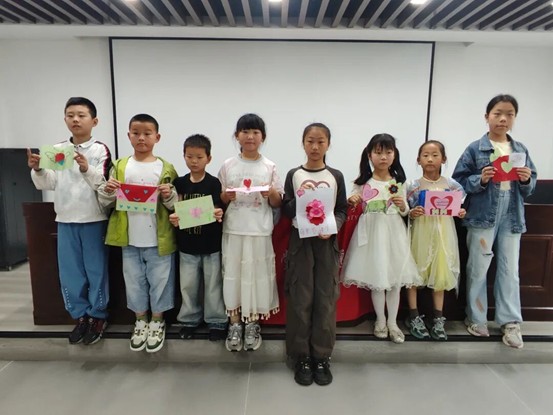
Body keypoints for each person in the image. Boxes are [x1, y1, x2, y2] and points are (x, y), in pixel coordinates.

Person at [452, 94, 537, 349]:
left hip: (512, 216)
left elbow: (530, 186)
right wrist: (481, 179)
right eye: (497, 113)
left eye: (509, 114)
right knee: (478, 268)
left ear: (514, 118)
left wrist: (526, 179)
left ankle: (510, 322)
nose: (503, 119)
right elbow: (458, 182)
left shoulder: (520, 150)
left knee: (510, 270)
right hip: (481, 215)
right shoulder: (474, 149)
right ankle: (476, 318)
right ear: (486, 116)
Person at [27, 97, 112, 345]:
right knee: (70, 273)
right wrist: (38, 169)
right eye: (70, 115)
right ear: (65, 119)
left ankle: (98, 316)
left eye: (81, 115)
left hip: (93, 219)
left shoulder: (100, 150)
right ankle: (81, 315)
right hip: (65, 219)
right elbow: (49, 183)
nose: (75, 119)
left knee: (96, 271)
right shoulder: (58, 149)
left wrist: (86, 168)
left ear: (94, 121)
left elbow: (104, 186)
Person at [98, 114, 177, 353]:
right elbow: (106, 203)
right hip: (129, 238)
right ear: (129, 136)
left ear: (157, 137)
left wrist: (169, 195)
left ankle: (158, 321)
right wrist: (108, 190)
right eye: (136, 133)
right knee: (133, 282)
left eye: (147, 133)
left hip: (159, 239)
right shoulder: (120, 166)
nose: (141, 137)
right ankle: (140, 321)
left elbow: (175, 206)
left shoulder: (166, 168)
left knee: (161, 282)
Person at [282, 123, 347, 387]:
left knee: (325, 299)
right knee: (301, 298)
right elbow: (287, 209)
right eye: (310, 141)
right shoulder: (294, 174)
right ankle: (301, 357)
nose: (315, 146)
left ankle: (321, 357)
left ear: (328, 144)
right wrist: (300, 200)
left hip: (326, 243)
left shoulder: (336, 175)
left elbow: (341, 210)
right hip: (300, 242)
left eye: (321, 141)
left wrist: (332, 227)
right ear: (303, 143)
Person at [341, 133, 421, 344]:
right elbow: (352, 201)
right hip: (371, 235)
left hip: (394, 234)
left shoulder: (399, 182)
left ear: (394, 155)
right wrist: (352, 199)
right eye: (378, 152)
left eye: (388, 152)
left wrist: (402, 206)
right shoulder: (362, 182)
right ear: (370, 155)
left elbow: (405, 211)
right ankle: (380, 320)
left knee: (394, 282)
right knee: (377, 280)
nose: (383, 157)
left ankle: (393, 323)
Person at [218, 113, 283, 352]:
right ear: (237, 136)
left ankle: (253, 323)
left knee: (256, 277)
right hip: (234, 229)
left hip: (260, 230)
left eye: (255, 132)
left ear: (262, 137)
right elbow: (221, 198)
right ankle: (235, 323)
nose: (250, 136)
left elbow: (277, 202)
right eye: (245, 131)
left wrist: (271, 194)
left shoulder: (269, 166)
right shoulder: (228, 165)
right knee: (233, 275)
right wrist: (226, 196)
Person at [167, 134, 227, 341]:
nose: (194, 161)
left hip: (211, 245)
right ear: (184, 156)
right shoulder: (179, 183)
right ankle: (189, 320)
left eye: (199, 157)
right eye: (189, 156)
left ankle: (217, 321)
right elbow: (174, 209)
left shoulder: (214, 183)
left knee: (213, 286)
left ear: (208, 158)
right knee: (188, 286)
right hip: (187, 245)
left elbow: (219, 208)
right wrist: (174, 217)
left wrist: (218, 212)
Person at [405, 140, 466, 341]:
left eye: (435, 155)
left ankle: (438, 318)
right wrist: (412, 213)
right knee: (414, 273)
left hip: (443, 234)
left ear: (443, 159)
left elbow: (458, 208)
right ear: (418, 160)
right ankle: (413, 315)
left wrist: (461, 212)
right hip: (420, 233)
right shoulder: (412, 186)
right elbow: (406, 211)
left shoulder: (452, 185)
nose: (430, 159)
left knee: (440, 273)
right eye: (425, 155)